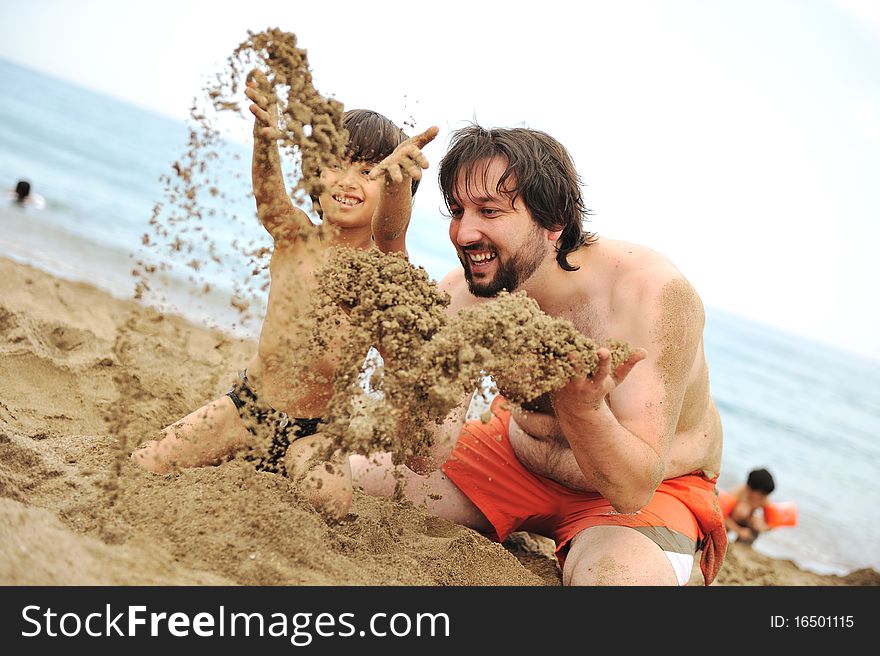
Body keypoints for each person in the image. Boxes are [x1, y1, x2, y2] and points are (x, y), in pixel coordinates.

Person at [353, 124, 727, 585]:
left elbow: (632, 487)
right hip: (513, 458)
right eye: (457, 210)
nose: (464, 233)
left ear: (554, 223)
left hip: (640, 494)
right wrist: (405, 354)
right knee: (337, 479)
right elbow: (426, 454)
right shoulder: (467, 294)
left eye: (489, 211)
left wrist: (582, 407)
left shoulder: (651, 295)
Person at [132, 69, 438, 519]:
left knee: (329, 504)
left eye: (369, 171)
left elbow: (392, 227)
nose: (348, 180)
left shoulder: (384, 271)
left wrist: (396, 188)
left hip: (317, 432)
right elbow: (268, 195)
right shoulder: (295, 238)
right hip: (247, 408)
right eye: (336, 164)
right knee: (147, 463)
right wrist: (264, 139)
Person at [719, 468, 777, 545]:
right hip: (728, 521)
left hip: (746, 524)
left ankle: (741, 545)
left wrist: (762, 526)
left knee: (756, 522)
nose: (763, 497)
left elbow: (772, 523)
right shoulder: (737, 493)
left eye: (766, 494)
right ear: (750, 488)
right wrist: (739, 530)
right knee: (742, 511)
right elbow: (721, 516)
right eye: (762, 494)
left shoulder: (764, 499)